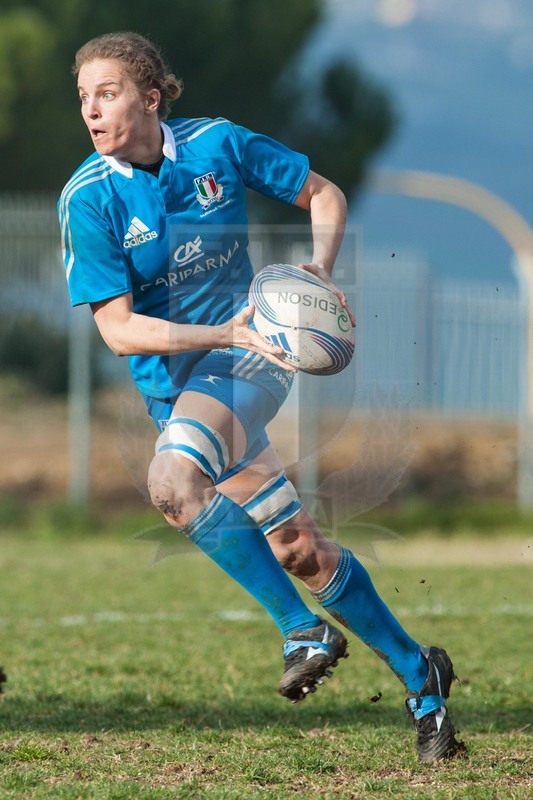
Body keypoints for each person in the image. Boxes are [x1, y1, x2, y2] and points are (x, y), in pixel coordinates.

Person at [58, 31, 465, 763]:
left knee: (171, 480)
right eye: (83, 96)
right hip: (190, 382)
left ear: (151, 98)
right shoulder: (89, 199)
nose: (90, 109)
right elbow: (118, 331)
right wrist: (222, 336)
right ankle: (420, 675)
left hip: (254, 362)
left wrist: (317, 271)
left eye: (107, 92)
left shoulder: (217, 144)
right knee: (298, 549)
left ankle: (303, 631)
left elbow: (323, 193)